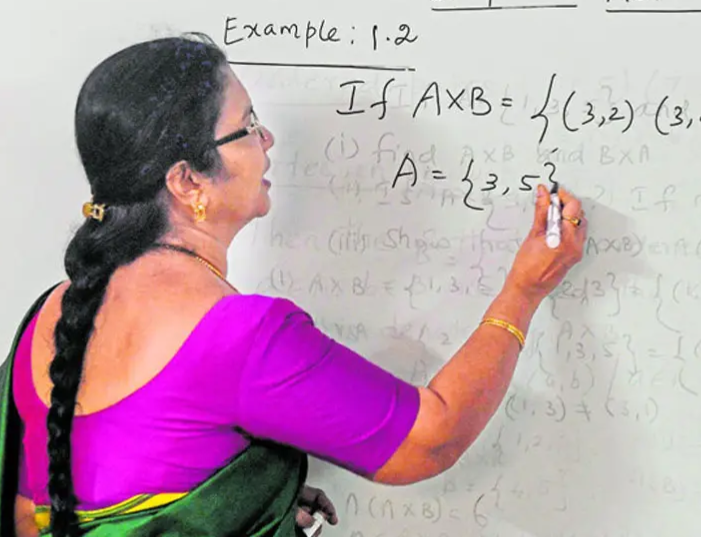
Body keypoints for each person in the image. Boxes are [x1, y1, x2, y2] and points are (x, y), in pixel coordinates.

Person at [0, 34, 588, 537]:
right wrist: (523, 291)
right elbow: (432, 437)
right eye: (247, 127)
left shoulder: (50, 314)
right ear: (187, 181)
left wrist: (246, 495)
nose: (267, 140)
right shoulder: (238, 336)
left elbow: (56, 503)